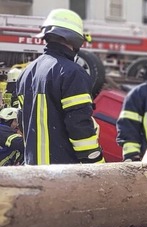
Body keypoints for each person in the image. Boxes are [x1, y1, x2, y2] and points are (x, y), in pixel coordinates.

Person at [16, 9, 104, 165]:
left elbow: (22, 123)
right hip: (62, 174)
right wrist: (96, 162)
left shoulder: (26, 72)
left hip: (31, 170)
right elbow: (79, 125)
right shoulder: (72, 73)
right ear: (76, 40)